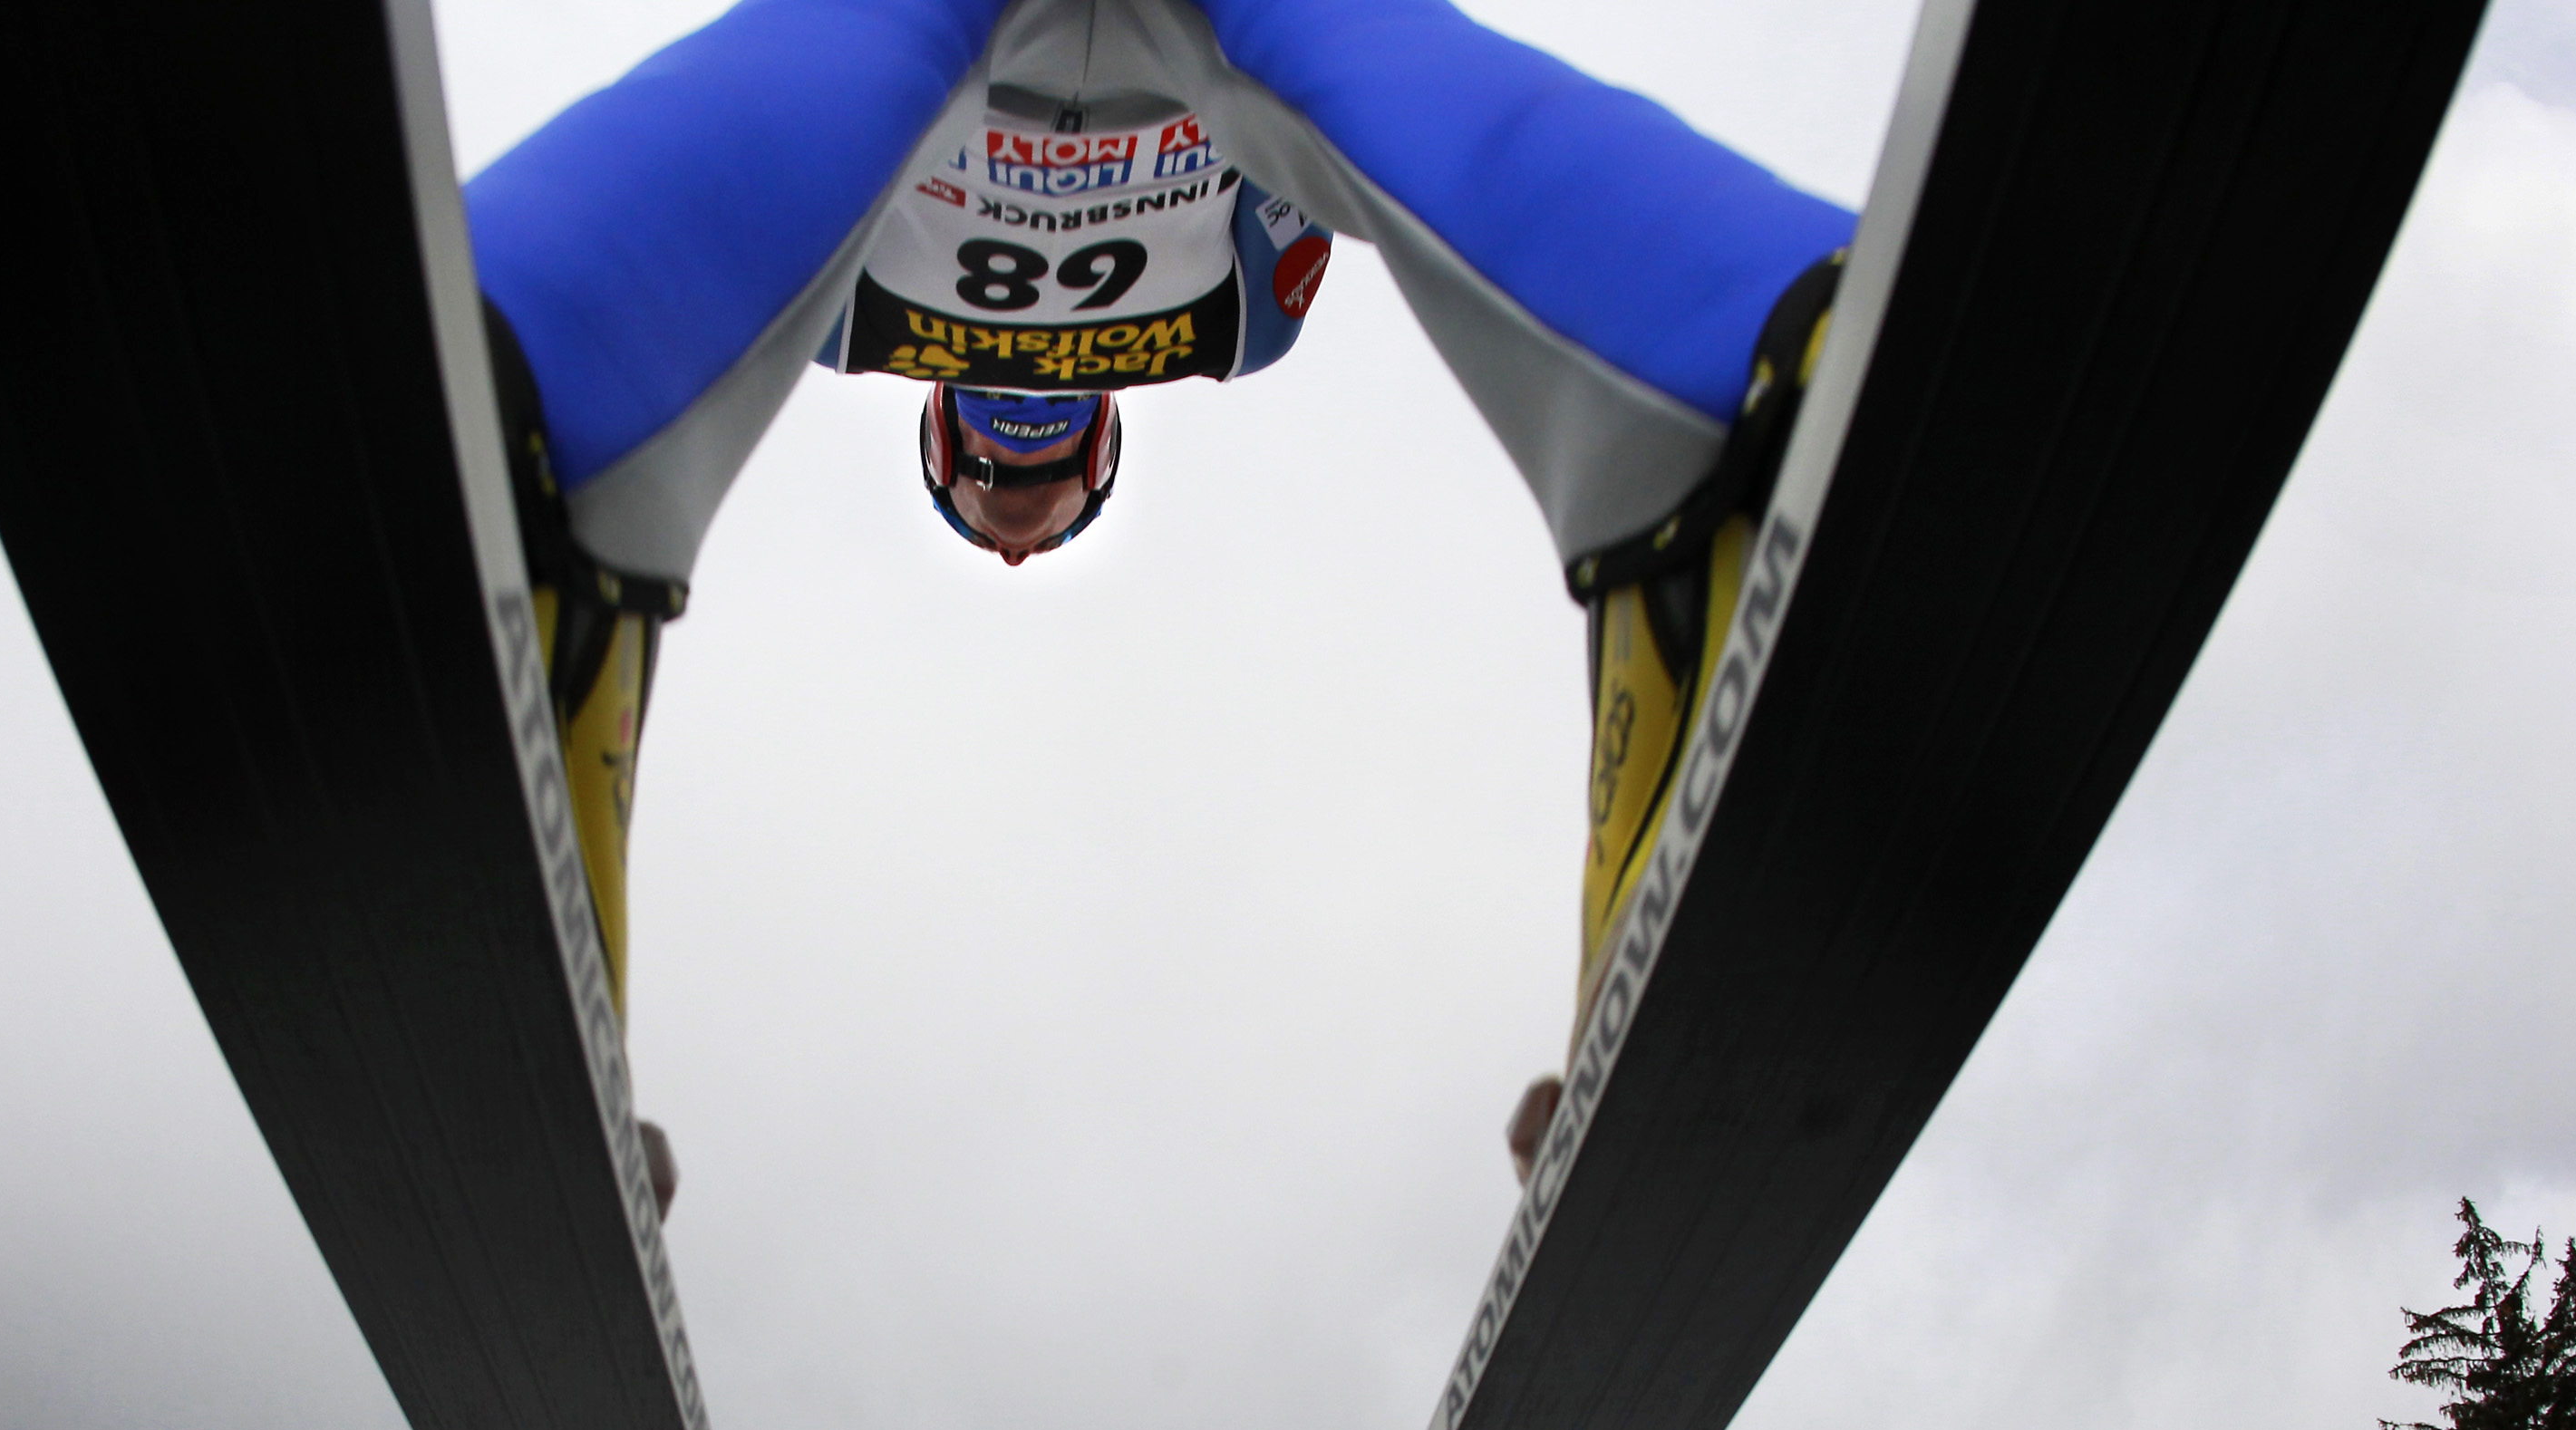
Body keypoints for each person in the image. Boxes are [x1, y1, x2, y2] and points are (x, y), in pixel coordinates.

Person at [467, 0, 1855, 1201]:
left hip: (958, 85)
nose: (1021, 504)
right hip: (1166, 65)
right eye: (1043, 485)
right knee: (1312, 56)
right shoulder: (1237, 315)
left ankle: (519, 402)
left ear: (947, 433)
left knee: (849, 80)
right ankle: (1736, 363)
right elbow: (1383, 124)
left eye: (1007, 484)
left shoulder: (847, 305)